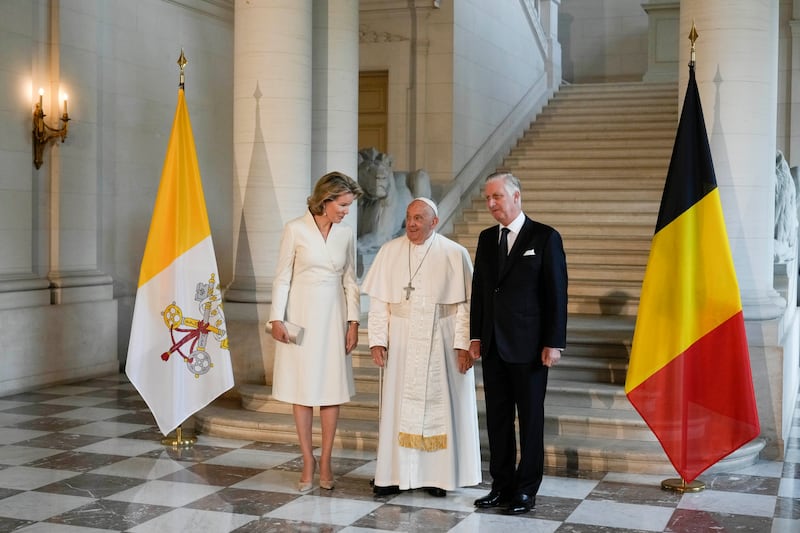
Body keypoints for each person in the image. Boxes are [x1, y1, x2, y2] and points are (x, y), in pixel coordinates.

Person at [362, 197, 481, 498]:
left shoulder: (454, 254)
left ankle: (436, 476)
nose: (412, 224)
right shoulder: (390, 252)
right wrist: (377, 339)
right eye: (409, 217)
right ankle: (392, 475)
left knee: (439, 407)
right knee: (397, 407)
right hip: (401, 339)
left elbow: (466, 306)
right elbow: (378, 302)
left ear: (434, 222)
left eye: (419, 218)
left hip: (440, 338)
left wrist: (462, 345)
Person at [469, 171, 567, 515]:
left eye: (497, 196)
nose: (491, 204)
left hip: (529, 349)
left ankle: (526, 490)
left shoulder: (545, 237)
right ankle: (501, 485)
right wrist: (476, 336)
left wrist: (553, 342)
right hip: (494, 346)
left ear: (516, 197)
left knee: (530, 421)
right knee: (497, 420)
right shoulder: (485, 239)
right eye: (487, 198)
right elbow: (480, 291)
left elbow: (556, 293)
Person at [269, 171, 363, 492]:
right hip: (301, 315)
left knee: (331, 389)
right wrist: (276, 319)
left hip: (333, 316)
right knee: (302, 389)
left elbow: (351, 280)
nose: (346, 211)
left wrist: (354, 322)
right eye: (343, 205)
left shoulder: (346, 234)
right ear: (326, 199)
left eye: (349, 206)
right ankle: (308, 459)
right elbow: (282, 277)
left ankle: (326, 460)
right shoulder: (295, 229)